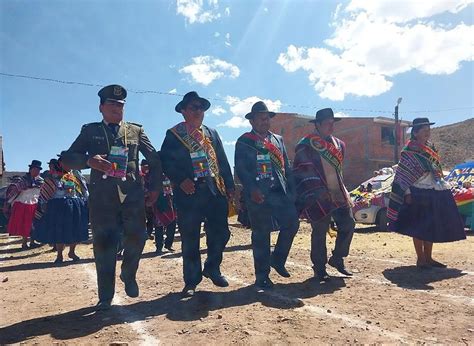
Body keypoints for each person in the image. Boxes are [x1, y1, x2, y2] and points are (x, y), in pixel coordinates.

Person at [61, 84, 162, 310]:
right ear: (101, 107)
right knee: (104, 245)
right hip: (103, 198)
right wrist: (89, 160)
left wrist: (155, 188)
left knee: (139, 237)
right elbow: (67, 159)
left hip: (133, 195)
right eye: (112, 104)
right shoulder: (90, 131)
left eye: (121, 104)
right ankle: (105, 296)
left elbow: (154, 159)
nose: (117, 108)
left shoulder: (135, 131)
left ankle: (128, 273)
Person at [160, 91, 234, 297]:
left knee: (222, 233)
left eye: (201, 107)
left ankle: (212, 267)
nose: (198, 111)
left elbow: (222, 161)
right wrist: (180, 179)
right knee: (191, 238)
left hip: (214, 190)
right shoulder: (174, 134)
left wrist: (229, 185)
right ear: (183, 111)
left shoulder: (212, 133)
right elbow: (165, 161)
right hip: (189, 193)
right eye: (194, 107)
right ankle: (192, 280)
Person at [235, 101, 299, 290]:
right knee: (261, 234)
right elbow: (241, 168)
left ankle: (277, 259)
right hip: (258, 194)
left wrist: (292, 190)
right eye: (261, 117)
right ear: (252, 120)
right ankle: (262, 276)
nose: (265, 121)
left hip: (279, 191)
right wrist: (251, 188)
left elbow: (286, 166)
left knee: (292, 224)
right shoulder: (244, 140)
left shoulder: (277, 139)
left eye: (267, 117)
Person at [387, 117, 466, 268]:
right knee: (418, 226)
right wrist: (407, 193)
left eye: (429, 130)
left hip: (432, 190)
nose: (427, 133)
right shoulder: (408, 151)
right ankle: (421, 259)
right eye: (424, 131)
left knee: (430, 225)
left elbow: (436, 169)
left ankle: (429, 258)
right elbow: (402, 176)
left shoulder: (431, 149)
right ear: (415, 132)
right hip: (417, 191)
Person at [293, 108, 355, 281]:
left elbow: (338, 170)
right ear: (317, 124)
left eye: (332, 123)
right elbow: (302, 169)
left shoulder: (339, 145)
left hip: (337, 192)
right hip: (317, 194)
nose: (331, 126)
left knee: (348, 223)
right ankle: (319, 268)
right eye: (327, 123)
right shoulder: (306, 144)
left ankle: (337, 258)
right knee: (319, 230)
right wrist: (318, 190)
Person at [32, 157, 89, 263]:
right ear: (60, 164)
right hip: (58, 207)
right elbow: (45, 194)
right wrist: (44, 205)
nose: (68, 165)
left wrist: (85, 201)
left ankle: (72, 251)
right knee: (59, 231)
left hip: (74, 205)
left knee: (75, 229)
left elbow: (82, 190)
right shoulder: (51, 178)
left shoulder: (74, 176)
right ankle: (59, 255)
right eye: (65, 163)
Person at [4, 160, 44, 249]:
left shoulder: (40, 181)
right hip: (23, 204)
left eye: (38, 170)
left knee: (34, 224)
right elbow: (13, 190)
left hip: (34, 205)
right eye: (35, 169)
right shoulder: (22, 180)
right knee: (25, 224)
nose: (37, 171)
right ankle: (24, 243)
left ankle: (32, 242)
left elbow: (41, 192)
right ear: (30, 169)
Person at [154, 174, 177, 254]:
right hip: (159, 203)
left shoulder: (173, 174)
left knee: (172, 225)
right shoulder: (155, 176)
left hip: (171, 204)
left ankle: (168, 245)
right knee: (159, 227)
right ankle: (159, 247)